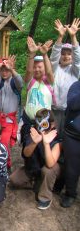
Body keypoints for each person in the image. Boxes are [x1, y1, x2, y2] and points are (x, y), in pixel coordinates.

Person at [10, 109, 62, 210]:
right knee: (14, 180)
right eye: (39, 125)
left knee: (47, 170)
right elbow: (26, 154)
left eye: (45, 125)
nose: (42, 129)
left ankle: (45, 197)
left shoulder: (56, 138)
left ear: (52, 125)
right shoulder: (33, 133)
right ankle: (38, 182)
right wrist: (34, 142)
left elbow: (50, 164)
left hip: (51, 169)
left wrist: (46, 143)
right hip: (34, 168)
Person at [20, 37, 54, 146]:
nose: (36, 69)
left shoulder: (50, 82)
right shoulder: (30, 81)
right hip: (28, 121)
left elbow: (49, 72)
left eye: (39, 66)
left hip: (44, 121)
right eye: (35, 67)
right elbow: (29, 71)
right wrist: (32, 54)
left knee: (42, 147)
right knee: (28, 145)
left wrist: (44, 55)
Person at [0, 55, 23, 171]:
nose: (4, 72)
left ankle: (5, 166)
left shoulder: (15, 82)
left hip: (8, 120)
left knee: (4, 143)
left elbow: (21, 83)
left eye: (7, 70)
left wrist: (12, 69)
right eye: (2, 70)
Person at [50, 18, 80, 138]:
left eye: (69, 54)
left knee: (67, 136)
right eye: (63, 53)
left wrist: (73, 37)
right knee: (53, 135)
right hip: (54, 110)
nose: (66, 56)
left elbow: (78, 58)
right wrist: (60, 37)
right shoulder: (54, 69)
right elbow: (54, 56)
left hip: (69, 111)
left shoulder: (75, 70)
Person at [60, 79, 80, 208]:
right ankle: (70, 193)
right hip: (73, 135)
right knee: (71, 167)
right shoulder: (76, 86)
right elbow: (73, 104)